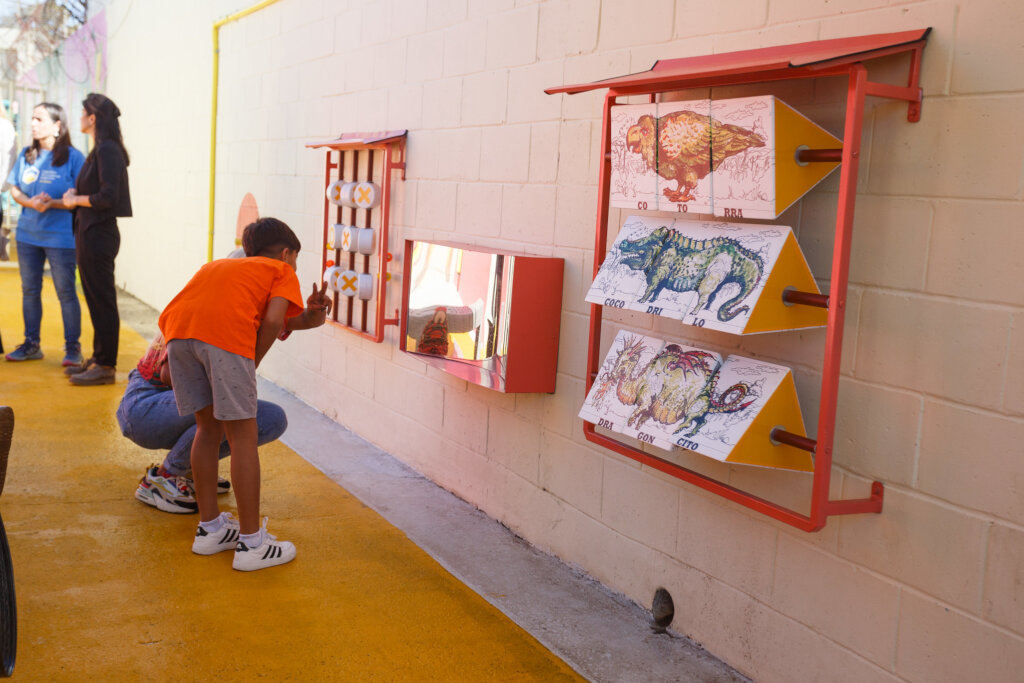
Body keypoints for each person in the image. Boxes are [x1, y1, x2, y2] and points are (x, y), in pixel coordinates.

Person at [158, 217, 330, 571]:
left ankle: (210, 529)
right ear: (286, 253)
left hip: (178, 334)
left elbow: (286, 320)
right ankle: (252, 543)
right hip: (222, 339)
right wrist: (249, 363)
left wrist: (315, 313)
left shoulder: (224, 268)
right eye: (296, 258)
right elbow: (271, 323)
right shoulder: (281, 271)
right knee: (243, 438)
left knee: (207, 430)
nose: (295, 266)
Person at [118, 331, 289, 514]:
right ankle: (165, 477)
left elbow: (280, 320)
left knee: (272, 417)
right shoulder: (204, 313)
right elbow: (168, 374)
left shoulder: (243, 311)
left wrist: (312, 314)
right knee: (226, 407)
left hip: (164, 402)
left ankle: (194, 468)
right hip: (143, 407)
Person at [4, 103, 86, 365]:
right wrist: (31, 203)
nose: (33, 124)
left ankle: (72, 348)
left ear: (57, 125)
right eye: (32, 118)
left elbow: (80, 197)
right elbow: (14, 189)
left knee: (65, 291)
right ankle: (31, 344)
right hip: (28, 236)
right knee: (30, 290)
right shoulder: (28, 155)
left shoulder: (74, 158)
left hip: (61, 238)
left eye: (39, 119)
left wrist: (53, 203)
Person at [62, 93, 132, 386]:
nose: (78, 119)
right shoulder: (100, 149)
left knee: (102, 300)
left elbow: (107, 196)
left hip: (98, 234)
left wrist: (75, 198)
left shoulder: (107, 150)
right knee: (94, 298)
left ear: (92, 119)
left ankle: (106, 365)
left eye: (82, 114)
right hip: (90, 231)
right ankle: (99, 357)